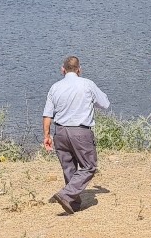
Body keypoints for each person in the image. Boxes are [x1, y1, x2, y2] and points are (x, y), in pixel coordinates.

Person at [42, 55, 110, 214]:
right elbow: (105, 104)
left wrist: (46, 135)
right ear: (79, 69)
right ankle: (66, 194)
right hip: (81, 132)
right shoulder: (87, 84)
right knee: (89, 166)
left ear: (62, 70)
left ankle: (73, 203)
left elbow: (47, 115)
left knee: (69, 168)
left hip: (60, 132)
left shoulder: (55, 87)